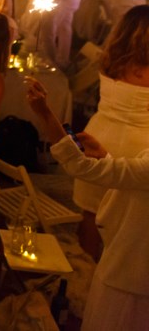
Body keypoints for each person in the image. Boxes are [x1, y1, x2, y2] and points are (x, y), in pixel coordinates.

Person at [26, 77, 149, 331]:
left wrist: (46, 114)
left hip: (129, 275)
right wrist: (107, 158)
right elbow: (137, 182)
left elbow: (80, 166)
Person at [68, 6, 149, 260]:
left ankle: (87, 276)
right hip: (137, 146)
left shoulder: (112, 59)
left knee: (91, 214)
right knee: (127, 221)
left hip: (99, 135)